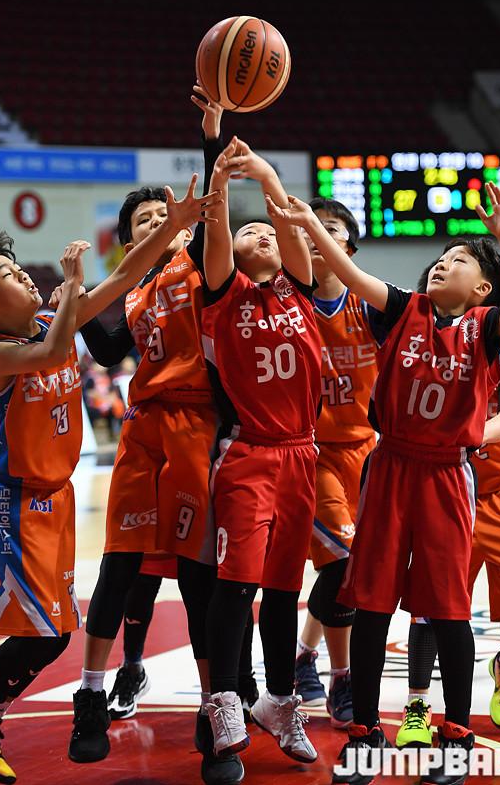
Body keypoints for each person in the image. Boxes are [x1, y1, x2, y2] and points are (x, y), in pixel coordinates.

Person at [265, 182, 500, 785]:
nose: (444, 263)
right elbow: (345, 270)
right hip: (389, 466)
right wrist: (306, 222)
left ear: (482, 289)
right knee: (371, 604)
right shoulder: (401, 307)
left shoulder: (486, 328)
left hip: (446, 474)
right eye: (441, 258)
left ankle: (456, 736)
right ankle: (365, 732)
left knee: (449, 612)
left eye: (460, 261)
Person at [0, 181, 217, 785]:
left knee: (52, 634)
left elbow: (122, 281)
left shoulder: (54, 317)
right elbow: (50, 355)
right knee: (45, 638)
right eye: (8, 275)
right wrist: (73, 287)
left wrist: (169, 226)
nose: (23, 275)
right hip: (19, 506)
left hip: (60, 500)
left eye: (18, 266)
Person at [67, 87, 253, 785]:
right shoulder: (137, 290)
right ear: (132, 240)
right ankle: (91, 695)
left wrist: (212, 134)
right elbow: (106, 349)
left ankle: (215, 709)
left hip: (199, 428)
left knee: (200, 578)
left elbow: (213, 204)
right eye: (143, 221)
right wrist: (79, 294)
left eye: (164, 216)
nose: (158, 223)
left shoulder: (207, 268)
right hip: (144, 429)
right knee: (118, 565)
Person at [201, 137, 322, 766]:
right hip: (249, 452)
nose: (263, 234)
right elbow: (217, 233)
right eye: (252, 231)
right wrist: (223, 179)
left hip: (302, 455)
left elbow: (289, 224)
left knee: (282, 589)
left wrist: (268, 174)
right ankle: (223, 698)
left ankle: (279, 699)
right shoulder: (223, 293)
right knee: (237, 583)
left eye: (268, 230)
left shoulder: (301, 288)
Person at [395, 264, 500, 750]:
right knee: (428, 607)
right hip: (443, 488)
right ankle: (418, 704)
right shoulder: (422, 353)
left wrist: (468, 434)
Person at [294, 198, 378, 731]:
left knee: (350, 569)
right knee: (343, 565)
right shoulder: (290, 305)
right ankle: (342, 679)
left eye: (328, 228)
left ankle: (304, 653)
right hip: (314, 452)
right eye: (309, 229)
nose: (315, 236)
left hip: (367, 452)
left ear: (348, 246)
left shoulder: (372, 306)